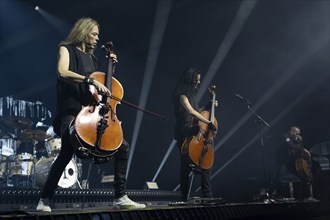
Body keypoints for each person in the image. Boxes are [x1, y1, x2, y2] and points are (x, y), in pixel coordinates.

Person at [36, 17, 146, 212]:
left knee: (123, 147)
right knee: (65, 154)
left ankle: (120, 197)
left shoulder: (94, 59)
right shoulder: (66, 48)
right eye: (94, 34)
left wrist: (111, 69)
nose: (97, 38)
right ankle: (44, 199)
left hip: (90, 113)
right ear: (84, 31)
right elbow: (62, 72)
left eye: (97, 35)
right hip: (70, 111)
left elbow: (100, 87)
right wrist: (89, 80)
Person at [172, 67, 217, 201]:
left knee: (204, 161)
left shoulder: (192, 96)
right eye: (196, 81)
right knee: (186, 164)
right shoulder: (182, 96)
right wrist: (208, 122)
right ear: (189, 81)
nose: (198, 84)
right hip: (183, 131)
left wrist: (208, 105)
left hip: (193, 131)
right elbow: (191, 112)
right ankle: (185, 196)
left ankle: (207, 195)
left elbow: (197, 111)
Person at [275, 126, 318, 201]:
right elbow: (291, 145)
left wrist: (299, 141)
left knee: (304, 177)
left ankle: (306, 197)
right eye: (295, 132)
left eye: (298, 133)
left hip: (293, 162)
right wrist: (303, 149)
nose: (297, 134)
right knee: (280, 179)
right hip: (284, 162)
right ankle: (278, 197)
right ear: (291, 131)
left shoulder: (295, 139)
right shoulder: (285, 137)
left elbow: (298, 148)